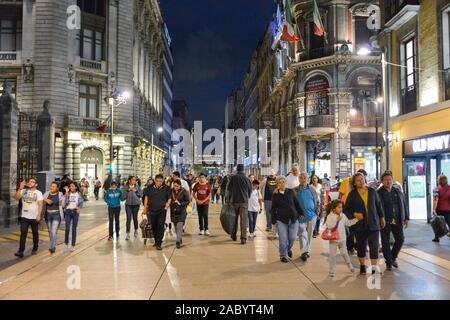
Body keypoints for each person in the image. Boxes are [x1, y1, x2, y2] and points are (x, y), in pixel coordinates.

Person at [344, 172, 385, 275]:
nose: (361, 181)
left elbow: (378, 205)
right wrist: (354, 214)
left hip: (373, 223)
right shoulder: (352, 194)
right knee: (361, 246)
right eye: (358, 180)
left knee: (374, 246)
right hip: (359, 225)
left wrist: (382, 217)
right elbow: (346, 210)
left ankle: (374, 268)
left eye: (362, 179)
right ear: (354, 183)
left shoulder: (372, 191)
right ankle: (362, 266)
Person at [377, 171, 409, 270]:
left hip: (397, 219)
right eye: (386, 180)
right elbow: (377, 207)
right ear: (382, 181)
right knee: (385, 242)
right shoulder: (379, 193)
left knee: (400, 239)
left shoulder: (397, 191)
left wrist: (406, 217)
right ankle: (388, 262)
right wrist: (380, 218)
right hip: (385, 221)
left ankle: (392, 257)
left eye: (390, 179)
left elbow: (404, 204)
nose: (388, 181)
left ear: (392, 180)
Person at [324, 200, 363, 277]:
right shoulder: (330, 216)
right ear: (334, 209)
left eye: (342, 207)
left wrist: (356, 219)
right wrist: (337, 221)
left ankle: (350, 265)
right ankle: (332, 270)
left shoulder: (343, 215)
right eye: (339, 207)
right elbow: (329, 227)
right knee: (332, 255)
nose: (341, 209)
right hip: (333, 239)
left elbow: (348, 223)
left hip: (342, 239)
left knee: (344, 253)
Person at [270, 177, 304, 263]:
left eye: (283, 182)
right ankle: (283, 255)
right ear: (277, 184)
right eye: (280, 183)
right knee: (283, 239)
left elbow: (296, 203)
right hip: (281, 220)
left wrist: (301, 212)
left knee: (292, 238)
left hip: (293, 218)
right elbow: (273, 208)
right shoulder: (275, 194)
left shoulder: (290, 192)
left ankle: (288, 249)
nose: (282, 184)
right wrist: (273, 220)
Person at [14, 178, 43, 258]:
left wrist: (39, 215)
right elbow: (16, 198)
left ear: (36, 184)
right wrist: (20, 188)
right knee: (23, 233)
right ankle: (21, 251)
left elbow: (40, 204)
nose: (30, 183)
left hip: (34, 217)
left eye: (32, 182)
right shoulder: (23, 191)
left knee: (35, 233)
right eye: (29, 181)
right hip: (24, 216)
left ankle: (35, 247)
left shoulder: (38, 193)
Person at [296, 172, 320, 261]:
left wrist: (317, 213)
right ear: (299, 179)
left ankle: (307, 251)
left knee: (309, 235)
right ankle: (303, 252)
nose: (303, 180)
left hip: (311, 216)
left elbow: (317, 202)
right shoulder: (295, 190)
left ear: (308, 179)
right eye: (301, 178)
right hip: (300, 217)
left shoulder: (312, 189)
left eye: (304, 178)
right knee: (302, 234)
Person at [143, 174, 171, 250]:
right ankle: (156, 241)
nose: (159, 183)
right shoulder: (149, 188)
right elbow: (146, 198)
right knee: (154, 226)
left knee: (160, 226)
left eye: (161, 181)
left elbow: (169, 198)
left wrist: (167, 204)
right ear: (155, 180)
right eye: (157, 181)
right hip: (152, 210)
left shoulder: (166, 188)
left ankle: (159, 243)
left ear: (163, 181)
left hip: (162, 210)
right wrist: (145, 208)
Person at [227, 164, 252, 244]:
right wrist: (247, 197)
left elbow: (229, 190)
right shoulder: (247, 179)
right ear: (243, 170)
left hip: (234, 201)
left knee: (234, 219)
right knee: (243, 220)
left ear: (237, 169)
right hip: (244, 201)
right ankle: (243, 238)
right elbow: (250, 190)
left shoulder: (233, 178)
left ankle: (234, 236)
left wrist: (228, 200)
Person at [43, 182, 65, 254]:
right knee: (50, 231)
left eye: (54, 186)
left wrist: (65, 196)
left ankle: (53, 247)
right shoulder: (47, 193)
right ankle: (52, 245)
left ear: (57, 188)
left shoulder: (60, 194)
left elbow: (63, 204)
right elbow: (41, 198)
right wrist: (46, 200)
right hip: (48, 214)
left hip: (56, 214)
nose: (52, 188)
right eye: (51, 186)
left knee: (53, 231)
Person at [62, 182, 84, 253]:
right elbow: (64, 203)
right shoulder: (68, 194)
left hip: (75, 212)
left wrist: (79, 208)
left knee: (74, 229)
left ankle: (73, 245)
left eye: (72, 186)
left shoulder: (78, 194)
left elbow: (81, 202)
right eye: (70, 186)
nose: (70, 187)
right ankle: (66, 245)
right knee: (67, 228)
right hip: (68, 212)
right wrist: (66, 193)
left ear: (76, 187)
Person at [121, 176, 143, 240]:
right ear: (129, 180)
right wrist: (128, 191)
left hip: (136, 204)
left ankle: (136, 231)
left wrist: (136, 191)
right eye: (133, 180)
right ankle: (127, 233)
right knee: (128, 219)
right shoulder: (125, 187)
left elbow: (141, 194)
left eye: (135, 180)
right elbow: (122, 198)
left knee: (135, 218)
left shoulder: (137, 186)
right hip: (128, 205)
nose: (134, 181)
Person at [170, 180, 190, 249]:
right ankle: (179, 237)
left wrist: (180, 203)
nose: (175, 187)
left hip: (182, 211)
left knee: (180, 225)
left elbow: (188, 201)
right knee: (175, 227)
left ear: (180, 185)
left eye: (177, 186)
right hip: (173, 211)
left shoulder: (184, 191)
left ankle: (177, 241)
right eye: (174, 186)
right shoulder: (170, 191)